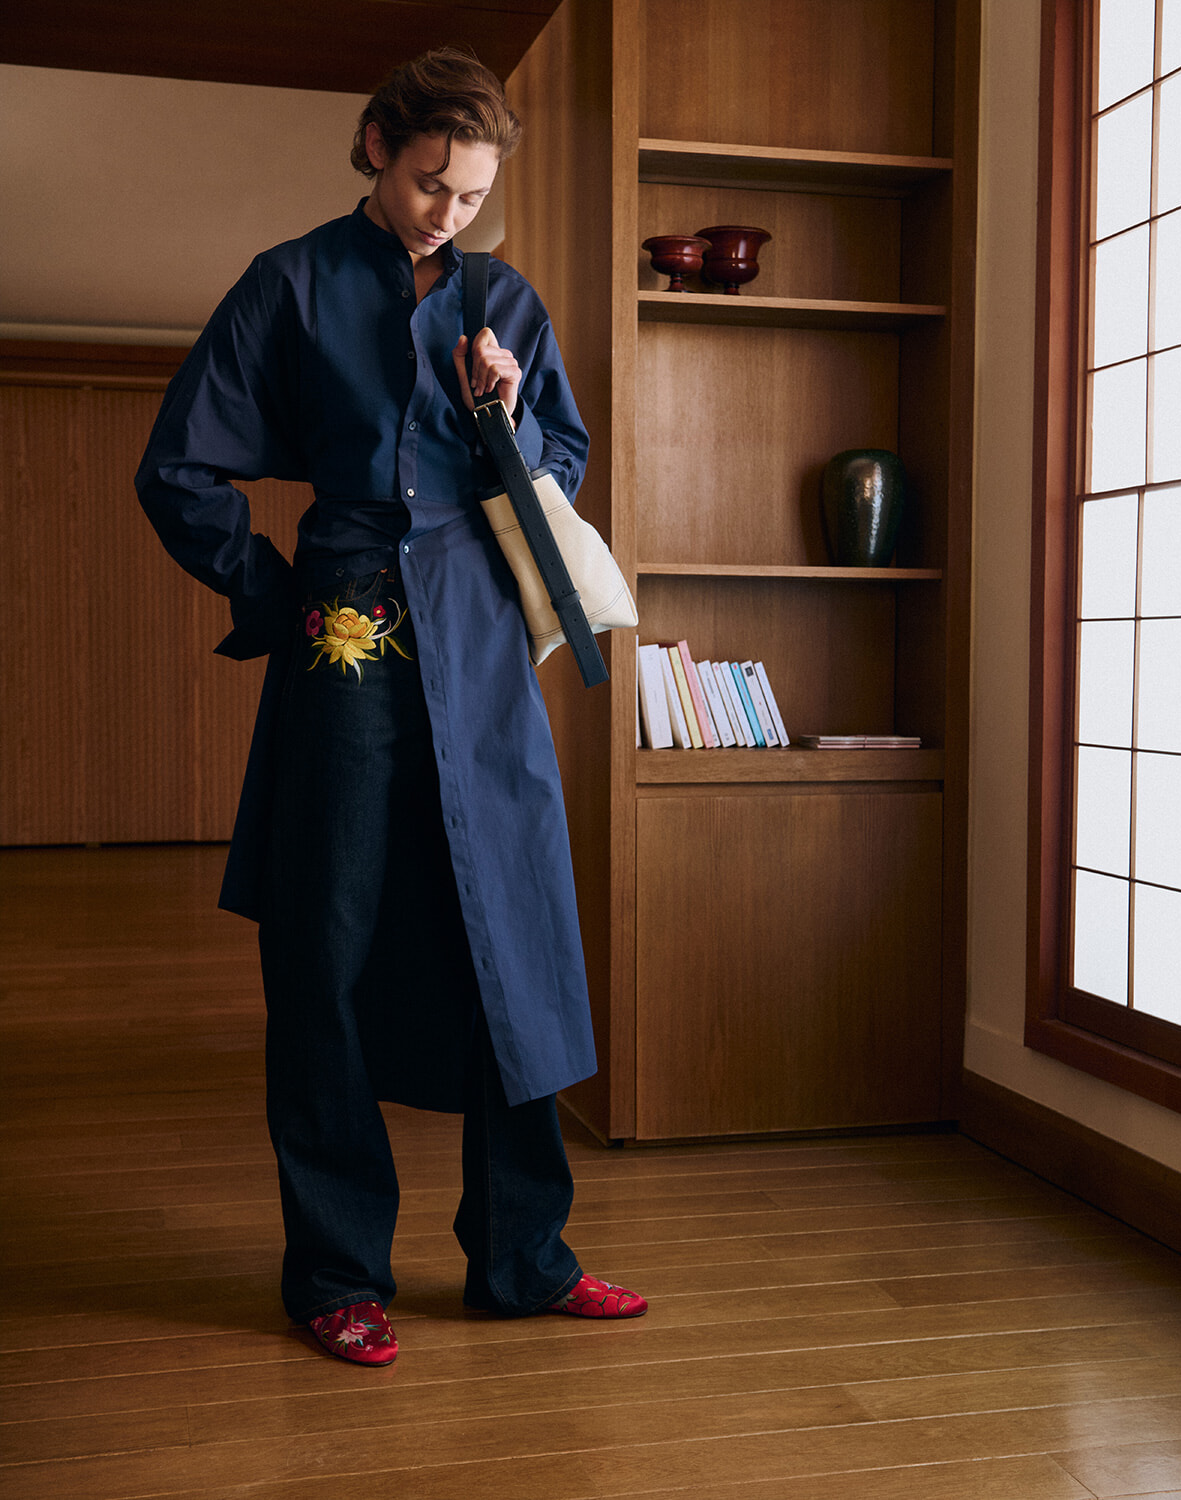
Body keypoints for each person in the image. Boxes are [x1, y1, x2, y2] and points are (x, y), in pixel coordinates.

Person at [136, 46, 646, 1367]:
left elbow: (561, 463)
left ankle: (525, 1258)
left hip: (480, 632)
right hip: (348, 625)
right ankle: (334, 1273)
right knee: (326, 941)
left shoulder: (505, 300)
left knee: (515, 931)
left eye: (470, 194)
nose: (446, 213)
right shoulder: (287, 287)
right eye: (431, 180)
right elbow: (180, 466)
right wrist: (275, 590)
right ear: (378, 146)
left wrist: (509, 413)